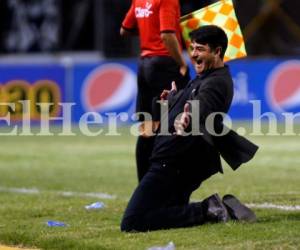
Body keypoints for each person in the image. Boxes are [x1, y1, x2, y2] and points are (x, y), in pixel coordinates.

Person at [120, 25, 258, 232]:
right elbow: (193, 97)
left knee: (132, 222)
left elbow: (202, 106)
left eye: (200, 49)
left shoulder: (217, 82)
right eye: (192, 48)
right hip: (180, 160)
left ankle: (208, 209)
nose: (193, 54)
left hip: (175, 161)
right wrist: (174, 98)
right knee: (167, 211)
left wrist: (186, 118)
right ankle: (221, 209)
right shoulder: (206, 76)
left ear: (217, 51)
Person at [120, 0, 190, 182]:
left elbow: (124, 30)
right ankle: (165, 183)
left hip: (144, 65)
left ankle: (143, 185)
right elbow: (167, 35)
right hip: (164, 65)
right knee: (172, 126)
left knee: (147, 129)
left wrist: (147, 31)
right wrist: (181, 63)